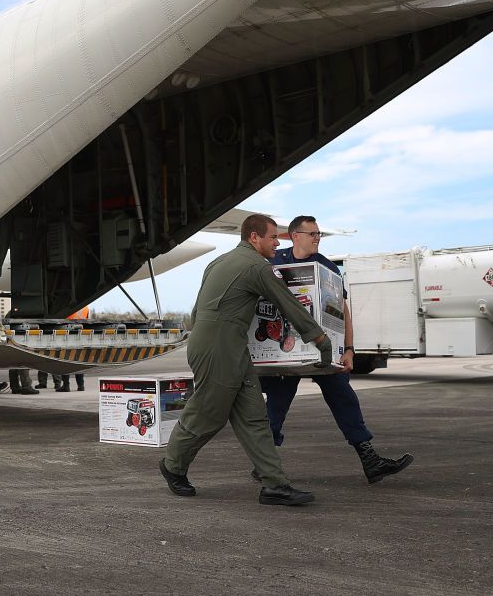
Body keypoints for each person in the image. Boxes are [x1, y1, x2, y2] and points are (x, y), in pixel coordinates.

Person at [160, 213, 331, 506]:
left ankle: (274, 485)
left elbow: (197, 310)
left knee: (254, 417)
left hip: (225, 344)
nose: (278, 243)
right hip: (219, 346)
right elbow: (288, 303)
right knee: (208, 413)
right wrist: (319, 338)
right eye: (273, 237)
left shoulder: (218, 262)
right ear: (255, 237)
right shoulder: (257, 267)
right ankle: (172, 465)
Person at [259, 216, 413, 484]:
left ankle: (370, 461)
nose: (317, 238)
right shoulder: (273, 262)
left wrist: (350, 349)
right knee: (276, 407)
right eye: (312, 233)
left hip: (323, 348)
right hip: (284, 349)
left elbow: (342, 312)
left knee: (344, 398)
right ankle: (263, 464)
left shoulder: (327, 267)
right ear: (295, 235)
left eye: (319, 234)